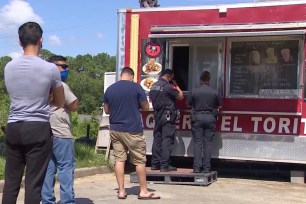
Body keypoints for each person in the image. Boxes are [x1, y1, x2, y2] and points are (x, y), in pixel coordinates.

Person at [2, 22, 65, 204]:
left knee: (11, 182)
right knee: (33, 184)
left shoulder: (9, 67)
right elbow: (60, 102)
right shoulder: (50, 68)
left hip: (13, 127)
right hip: (37, 128)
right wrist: (48, 96)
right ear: (41, 39)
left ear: (19, 42)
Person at [103, 67, 160, 200]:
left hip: (116, 129)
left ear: (121, 76)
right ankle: (144, 191)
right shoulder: (136, 88)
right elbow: (145, 107)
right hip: (133, 129)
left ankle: (121, 191)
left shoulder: (110, 89)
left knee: (119, 159)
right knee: (139, 160)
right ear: (132, 76)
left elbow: (106, 110)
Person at [41, 55, 79, 204]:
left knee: (48, 169)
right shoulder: (60, 85)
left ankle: (47, 200)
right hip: (61, 131)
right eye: (62, 66)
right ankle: (67, 201)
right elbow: (74, 105)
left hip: (44, 131)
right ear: (52, 66)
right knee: (66, 167)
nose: (66, 69)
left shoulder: (41, 84)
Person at [186, 71, 222, 173]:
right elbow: (219, 106)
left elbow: (188, 104)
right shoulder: (215, 91)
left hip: (197, 117)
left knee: (197, 143)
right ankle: (206, 168)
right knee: (208, 143)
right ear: (209, 79)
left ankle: (197, 168)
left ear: (200, 79)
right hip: (210, 117)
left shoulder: (194, 91)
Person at [149, 69, 184, 172]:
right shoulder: (168, 86)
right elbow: (181, 97)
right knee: (167, 139)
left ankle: (155, 163)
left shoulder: (153, 86)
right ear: (169, 77)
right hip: (168, 115)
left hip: (157, 115)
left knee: (157, 138)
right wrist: (176, 85)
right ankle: (165, 165)